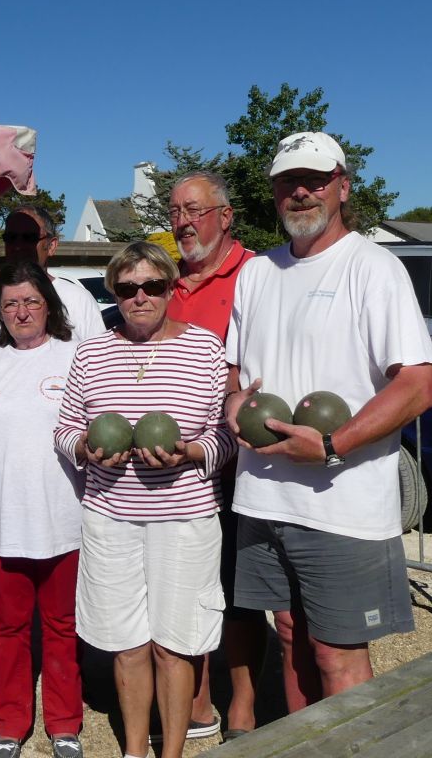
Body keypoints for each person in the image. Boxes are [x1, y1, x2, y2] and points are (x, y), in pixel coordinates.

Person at [225, 131, 432, 713]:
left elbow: (418, 383)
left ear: (342, 186)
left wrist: (335, 445)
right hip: (264, 499)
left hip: (342, 505)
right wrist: (232, 404)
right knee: (290, 635)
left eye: (315, 180)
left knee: (337, 655)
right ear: (273, 192)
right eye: (289, 182)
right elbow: (234, 373)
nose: (301, 193)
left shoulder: (373, 267)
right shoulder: (258, 272)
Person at [54, 241, 236, 758]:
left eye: (152, 286)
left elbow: (225, 435)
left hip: (185, 519)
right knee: (127, 645)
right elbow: (64, 428)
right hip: (112, 518)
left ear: (169, 288)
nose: (140, 297)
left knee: (174, 645)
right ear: (114, 292)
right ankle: (136, 749)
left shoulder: (205, 348)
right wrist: (86, 450)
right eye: (128, 288)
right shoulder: (92, 351)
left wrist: (194, 451)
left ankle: (171, 752)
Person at [0, 261, 85, 758]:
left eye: (31, 300)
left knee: (61, 627)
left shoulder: (76, 357)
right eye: (10, 303)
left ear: (48, 305)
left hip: (63, 519)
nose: (21, 311)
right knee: (6, 628)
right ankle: (9, 725)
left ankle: (64, 725)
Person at [166, 170, 263, 744]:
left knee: (240, 593)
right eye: (176, 211)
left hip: (238, 466)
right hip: (174, 471)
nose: (183, 221)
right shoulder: (162, 283)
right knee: (190, 589)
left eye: (196, 210)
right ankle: (198, 702)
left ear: (225, 217)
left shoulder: (256, 274)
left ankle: (244, 704)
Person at [0, 206, 106, 341]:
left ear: (51, 246)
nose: (18, 245)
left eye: (29, 238)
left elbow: (98, 356)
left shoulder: (78, 299)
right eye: (11, 237)